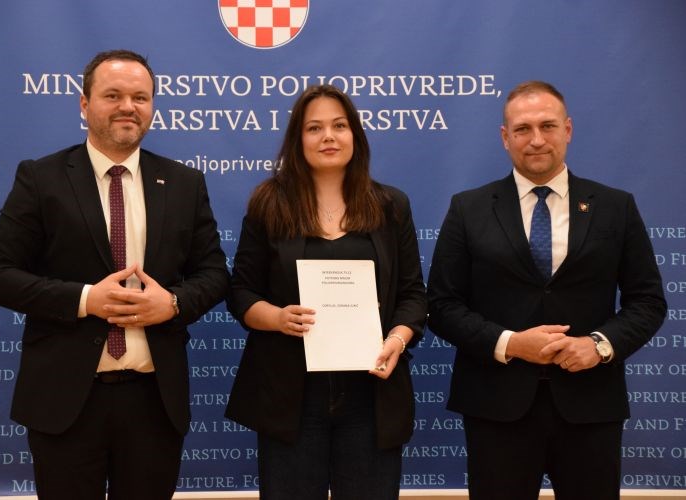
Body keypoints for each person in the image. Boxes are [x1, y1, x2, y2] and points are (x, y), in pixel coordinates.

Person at [0, 49, 229, 500]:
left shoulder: (184, 183)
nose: (128, 107)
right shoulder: (41, 177)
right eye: (113, 95)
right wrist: (85, 300)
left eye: (140, 97)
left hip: (154, 401)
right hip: (66, 401)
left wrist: (172, 304)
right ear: (84, 103)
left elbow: (214, 273)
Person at [426, 80, 666, 500]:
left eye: (547, 126)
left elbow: (647, 301)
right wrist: (511, 343)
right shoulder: (468, 208)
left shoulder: (616, 206)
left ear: (567, 130)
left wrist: (599, 345)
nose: (536, 139)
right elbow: (442, 305)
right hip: (496, 409)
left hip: (590, 406)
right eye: (522, 129)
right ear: (505, 137)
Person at [224, 84, 426, 499]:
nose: (328, 136)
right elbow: (241, 293)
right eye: (314, 128)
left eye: (339, 126)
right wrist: (277, 318)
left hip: (371, 393)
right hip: (291, 397)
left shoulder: (391, 205)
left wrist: (397, 339)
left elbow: (413, 295)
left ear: (355, 134)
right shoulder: (269, 203)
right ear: (298, 139)